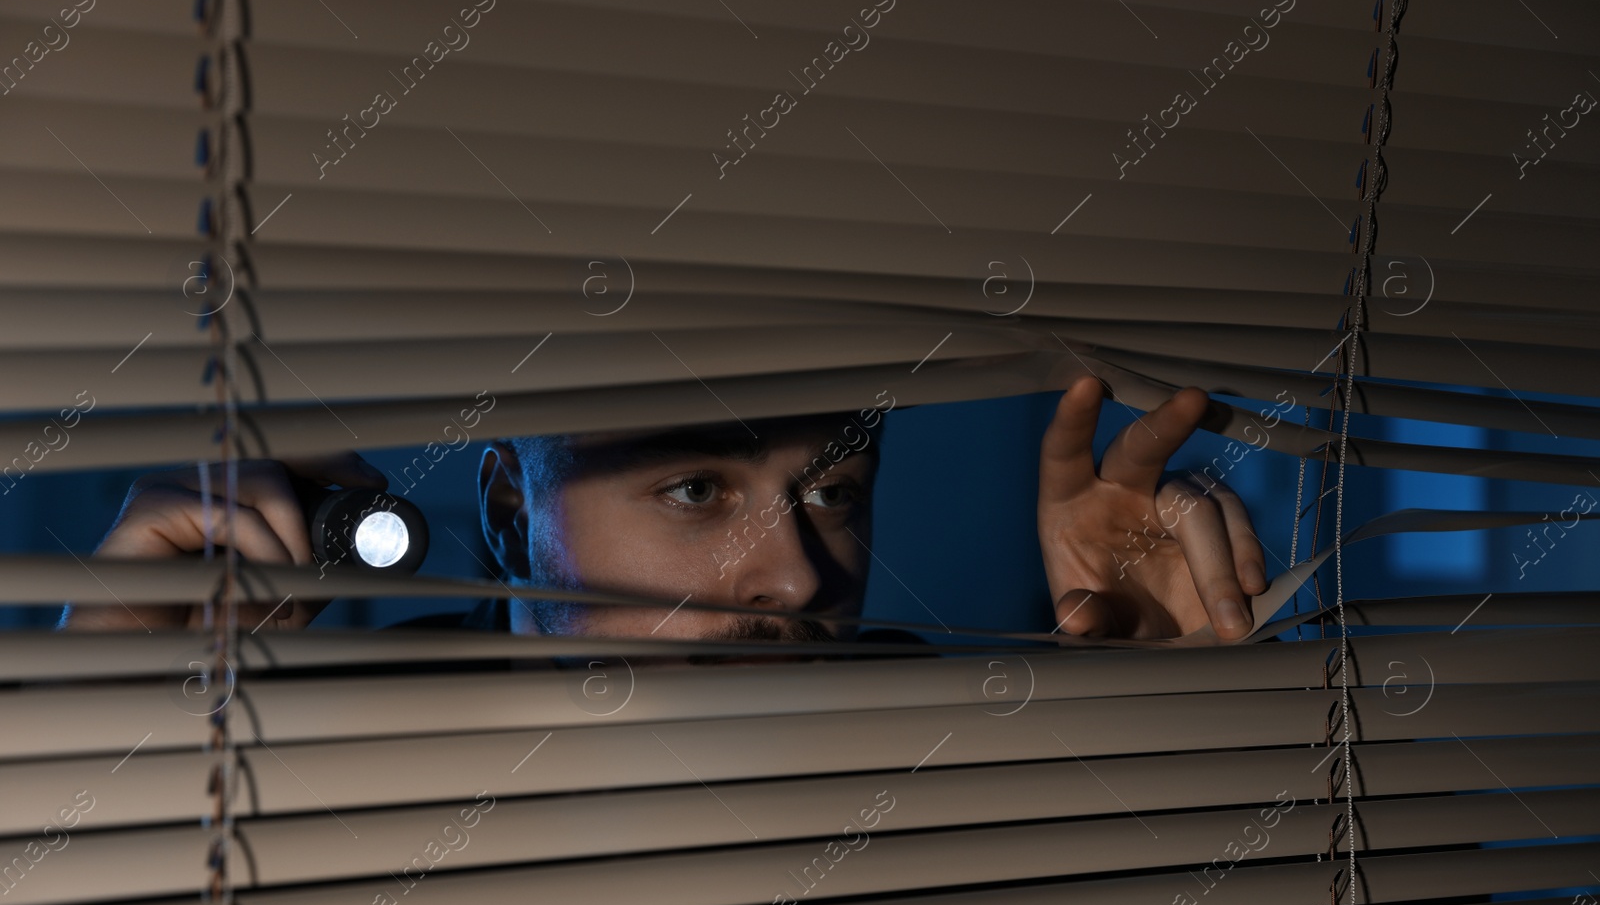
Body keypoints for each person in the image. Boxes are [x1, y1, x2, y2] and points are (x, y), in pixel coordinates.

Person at [62, 378, 1267, 644]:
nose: (798, 580)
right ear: (507, 507)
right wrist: (106, 719)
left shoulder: (935, 752)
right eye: (697, 489)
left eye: (833, 492)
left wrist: (1176, 720)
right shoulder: (349, 789)